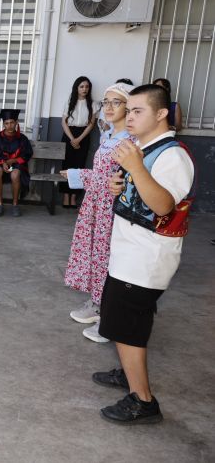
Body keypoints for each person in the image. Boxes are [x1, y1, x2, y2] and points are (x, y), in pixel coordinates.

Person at [92, 84, 194, 425]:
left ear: (161, 113)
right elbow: (141, 194)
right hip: (128, 253)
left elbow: (164, 204)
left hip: (145, 259)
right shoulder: (145, 149)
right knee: (120, 321)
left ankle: (143, 400)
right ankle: (128, 373)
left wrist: (135, 169)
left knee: (127, 328)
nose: (129, 116)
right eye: (129, 109)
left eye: (138, 111)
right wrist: (119, 186)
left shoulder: (173, 155)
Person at [61, 83, 135, 342]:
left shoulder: (131, 141)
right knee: (96, 254)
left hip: (112, 209)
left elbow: (119, 180)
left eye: (116, 102)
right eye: (106, 102)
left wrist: (78, 175)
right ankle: (97, 303)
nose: (109, 107)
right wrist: (77, 175)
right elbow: (102, 174)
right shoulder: (109, 136)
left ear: (129, 107)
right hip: (96, 206)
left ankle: (110, 318)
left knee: (109, 258)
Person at [0, 109, 33, 217]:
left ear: (16, 122)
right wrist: (3, 163)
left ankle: (15, 205)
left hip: (15, 166)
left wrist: (12, 161)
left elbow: (27, 154)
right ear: (3, 124)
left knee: (15, 174)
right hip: (1, 166)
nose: (9, 126)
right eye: (6, 123)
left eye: (12, 123)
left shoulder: (22, 139)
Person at [59, 76, 97, 208]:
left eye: (87, 87)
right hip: (69, 135)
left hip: (84, 136)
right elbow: (64, 122)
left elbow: (91, 124)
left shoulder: (92, 104)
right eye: (81, 86)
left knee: (79, 166)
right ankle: (66, 195)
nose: (84, 89)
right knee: (67, 165)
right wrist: (72, 139)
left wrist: (79, 139)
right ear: (76, 88)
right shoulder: (69, 102)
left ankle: (74, 196)